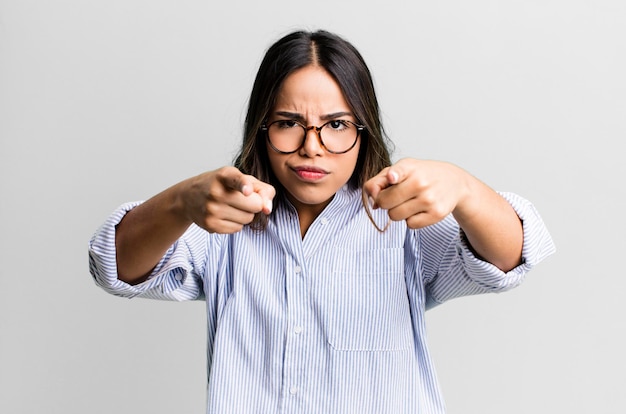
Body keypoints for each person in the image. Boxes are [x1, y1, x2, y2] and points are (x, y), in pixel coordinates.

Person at [89, 29, 555, 413]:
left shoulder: (397, 220)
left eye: (336, 125)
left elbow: (511, 258)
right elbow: (117, 267)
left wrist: (465, 188)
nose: (312, 147)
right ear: (261, 128)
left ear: (362, 128)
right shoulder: (224, 222)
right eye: (288, 122)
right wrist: (179, 203)